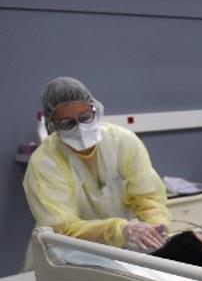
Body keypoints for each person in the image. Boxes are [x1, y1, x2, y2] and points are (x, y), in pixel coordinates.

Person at [24, 77, 170, 252]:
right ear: (52, 125)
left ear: (95, 109)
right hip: (70, 254)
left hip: (128, 247)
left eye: (85, 117)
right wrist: (119, 230)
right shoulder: (44, 162)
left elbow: (147, 196)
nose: (80, 128)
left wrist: (156, 225)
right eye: (67, 123)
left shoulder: (122, 141)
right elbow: (63, 228)